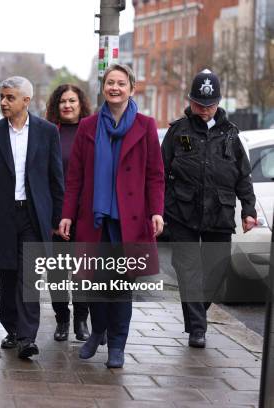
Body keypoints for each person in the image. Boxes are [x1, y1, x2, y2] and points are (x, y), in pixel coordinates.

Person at [59, 64, 164, 368]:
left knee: (121, 287)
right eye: (109, 83)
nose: (114, 88)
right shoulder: (88, 127)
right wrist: (67, 215)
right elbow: (75, 177)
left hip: (130, 221)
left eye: (120, 83)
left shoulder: (145, 126)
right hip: (95, 218)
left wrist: (157, 211)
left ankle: (117, 344)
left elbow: (156, 175)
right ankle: (97, 332)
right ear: (103, 88)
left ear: (131, 88)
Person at [161, 69, 256, 348]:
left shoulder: (231, 134)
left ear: (218, 102)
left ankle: (194, 317)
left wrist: (248, 209)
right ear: (190, 101)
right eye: (199, 105)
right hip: (183, 213)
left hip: (220, 213)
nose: (203, 110)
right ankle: (198, 330)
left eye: (209, 105)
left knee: (217, 268)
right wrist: (161, 208)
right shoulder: (178, 132)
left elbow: (243, 177)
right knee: (188, 270)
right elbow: (159, 172)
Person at [0, 76, 64, 359]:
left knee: (30, 279)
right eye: (2, 97)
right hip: (2, 216)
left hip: (34, 216)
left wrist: (57, 219)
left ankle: (27, 338)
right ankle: (11, 328)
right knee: (8, 277)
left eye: (10, 97)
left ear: (26, 100)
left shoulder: (47, 132)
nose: (3, 102)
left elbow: (55, 179)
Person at [45, 84, 92, 342]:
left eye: (72, 100)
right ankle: (62, 319)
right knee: (57, 272)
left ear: (80, 104)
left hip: (84, 214)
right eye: (62, 101)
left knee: (82, 271)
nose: (67, 105)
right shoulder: (50, 132)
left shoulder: (91, 132)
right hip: (56, 212)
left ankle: (81, 321)